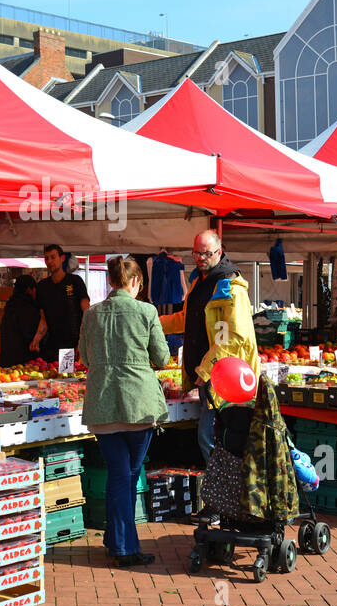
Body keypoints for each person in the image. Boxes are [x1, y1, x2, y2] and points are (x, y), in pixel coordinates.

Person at [78, 257, 169, 567]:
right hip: (138, 405)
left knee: (123, 474)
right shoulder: (147, 312)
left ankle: (117, 539)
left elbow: (86, 357)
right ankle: (122, 547)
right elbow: (162, 356)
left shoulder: (92, 314)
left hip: (103, 404)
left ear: (111, 282)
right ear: (135, 282)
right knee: (125, 475)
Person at [157, 228, 258, 467]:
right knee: (214, 437)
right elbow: (187, 319)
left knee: (211, 438)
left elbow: (233, 337)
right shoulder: (200, 282)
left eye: (206, 254)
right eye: (196, 253)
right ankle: (222, 493)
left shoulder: (230, 285)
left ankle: (224, 493)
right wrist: (154, 322)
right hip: (210, 377)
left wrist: (206, 369)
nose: (201, 258)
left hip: (228, 380)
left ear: (219, 252)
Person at [31, 245, 90, 363]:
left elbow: (87, 314)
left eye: (53, 257)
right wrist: (37, 338)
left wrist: (82, 342)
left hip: (73, 345)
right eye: (46, 258)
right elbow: (43, 319)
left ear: (62, 258)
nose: (49, 261)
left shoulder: (75, 281)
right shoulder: (42, 286)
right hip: (51, 347)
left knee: (69, 378)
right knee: (52, 379)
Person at [0, 274, 42, 368]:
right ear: (29, 289)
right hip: (23, 361)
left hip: (7, 358)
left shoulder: (10, 305)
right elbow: (30, 333)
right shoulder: (28, 308)